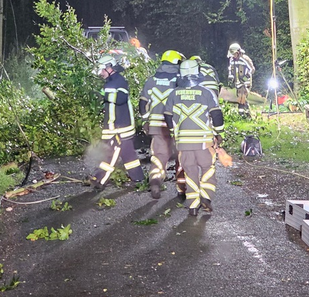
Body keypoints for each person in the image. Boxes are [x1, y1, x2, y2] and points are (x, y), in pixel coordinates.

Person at [164, 59, 224, 216]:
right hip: (204, 142)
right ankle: (206, 196)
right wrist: (219, 133)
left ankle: (192, 205)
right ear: (197, 73)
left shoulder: (173, 94)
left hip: (183, 143)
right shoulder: (207, 93)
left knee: (189, 172)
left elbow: (168, 116)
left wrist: (173, 132)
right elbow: (217, 115)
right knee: (208, 168)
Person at [88, 54, 144, 189]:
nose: (100, 73)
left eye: (102, 70)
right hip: (118, 126)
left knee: (111, 153)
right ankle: (139, 178)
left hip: (119, 128)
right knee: (128, 154)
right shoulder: (111, 82)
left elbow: (120, 99)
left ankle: (100, 179)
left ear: (109, 68)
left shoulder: (119, 82)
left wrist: (104, 95)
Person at [139, 50, 186, 201]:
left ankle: (155, 180)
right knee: (182, 155)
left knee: (159, 156)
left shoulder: (151, 80)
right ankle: (183, 188)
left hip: (156, 125)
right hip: (175, 125)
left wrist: (145, 120)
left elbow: (142, 104)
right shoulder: (180, 80)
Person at [227, 42, 255, 118]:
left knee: (242, 98)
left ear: (238, 52)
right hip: (237, 83)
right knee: (240, 99)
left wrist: (244, 79)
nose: (233, 56)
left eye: (234, 54)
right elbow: (231, 70)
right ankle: (243, 115)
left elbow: (252, 69)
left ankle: (246, 115)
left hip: (245, 83)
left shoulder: (245, 59)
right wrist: (231, 79)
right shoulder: (232, 60)